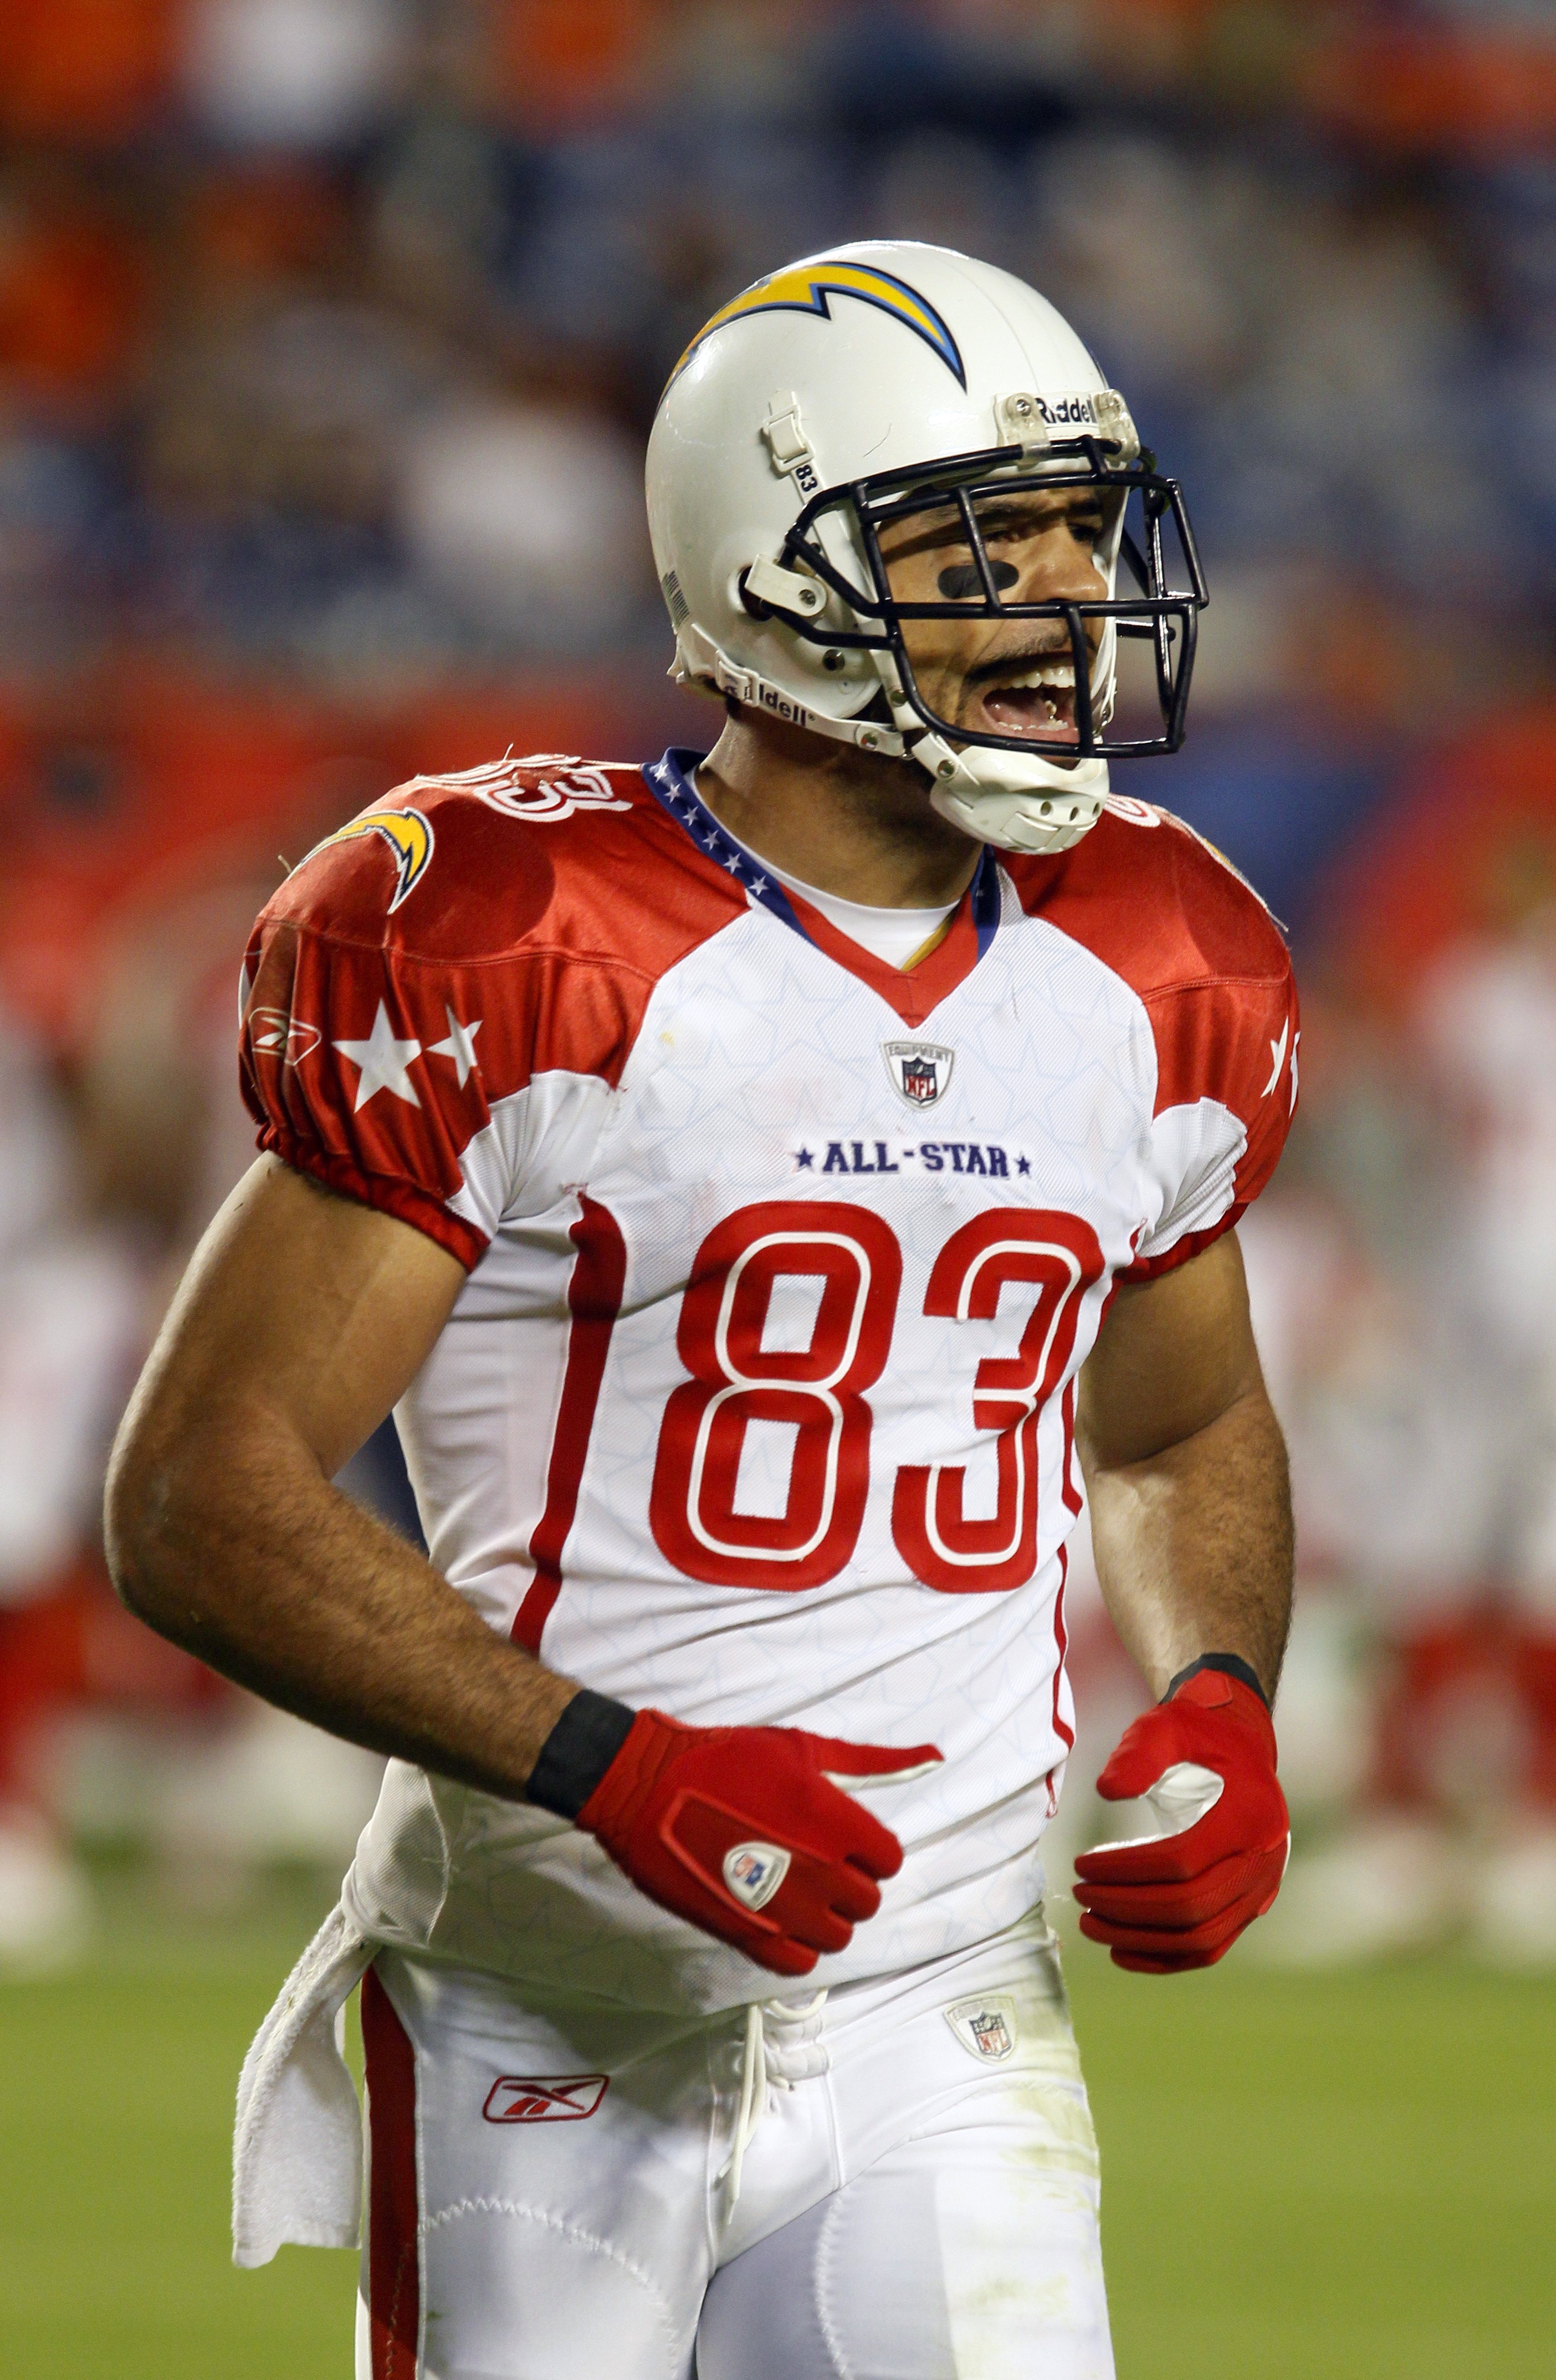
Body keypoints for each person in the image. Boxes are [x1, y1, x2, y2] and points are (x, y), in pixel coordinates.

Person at [106, 242, 1297, 2380]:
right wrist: (607, 1767)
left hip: (948, 2005)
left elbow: (1176, 1427)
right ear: (776, 569)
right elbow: (201, 1493)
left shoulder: (1166, 948)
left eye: (1084, 531)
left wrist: (1219, 1690)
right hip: (540, 2014)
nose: (1070, 599)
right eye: (984, 540)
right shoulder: (519, 931)